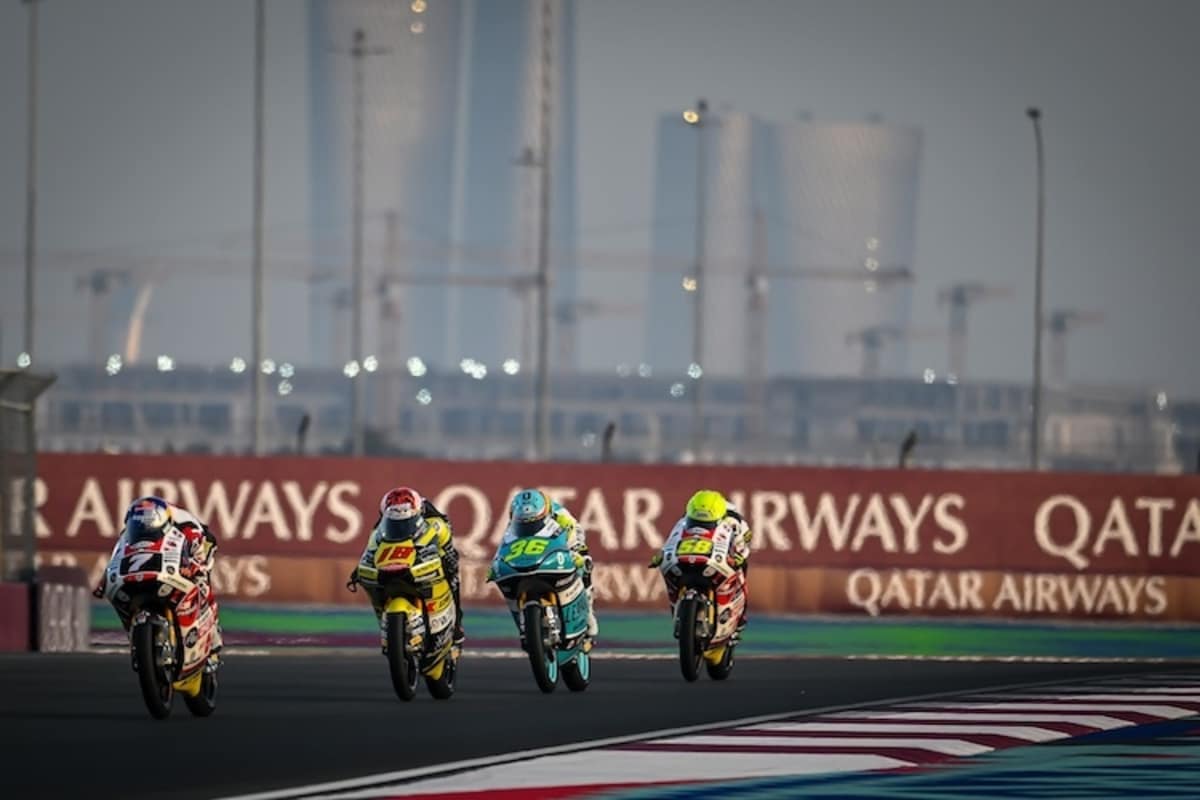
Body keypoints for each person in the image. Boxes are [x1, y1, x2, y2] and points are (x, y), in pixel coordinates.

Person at [94, 496, 224, 657]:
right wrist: (104, 581)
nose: (143, 528)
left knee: (201, 580)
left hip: (203, 543)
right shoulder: (129, 533)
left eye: (147, 525)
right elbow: (117, 556)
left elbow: (197, 555)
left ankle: (213, 629)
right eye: (138, 525)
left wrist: (192, 567)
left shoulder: (188, 528)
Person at [349, 487, 465, 646]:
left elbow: (447, 546)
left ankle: (457, 624)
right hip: (396, 558)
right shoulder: (383, 521)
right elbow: (372, 546)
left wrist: (447, 558)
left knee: (453, 578)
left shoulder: (435, 521)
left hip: (426, 549)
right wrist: (360, 569)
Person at [493, 489, 599, 640]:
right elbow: (505, 545)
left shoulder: (561, 515)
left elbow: (576, 532)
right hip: (532, 557)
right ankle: (524, 626)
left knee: (585, 562)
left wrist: (575, 549)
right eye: (524, 524)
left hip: (563, 547)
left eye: (533, 523)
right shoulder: (513, 524)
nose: (528, 527)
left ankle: (588, 610)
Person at [650, 489, 752, 635]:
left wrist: (739, 556)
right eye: (696, 520)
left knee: (741, 571)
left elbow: (743, 543)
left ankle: (740, 615)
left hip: (722, 557)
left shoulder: (735, 522)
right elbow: (673, 539)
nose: (700, 524)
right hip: (694, 556)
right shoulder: (684, 520)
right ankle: (680, 611)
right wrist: (661, 555)